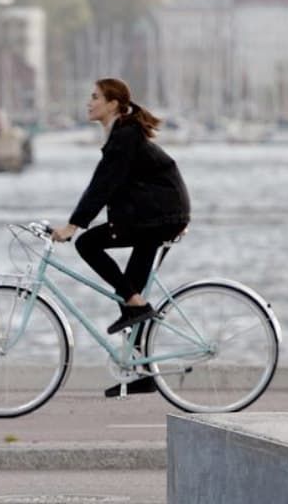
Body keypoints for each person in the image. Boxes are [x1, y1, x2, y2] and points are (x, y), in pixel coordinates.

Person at [51, 78, 190, 395]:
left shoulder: (124, 136)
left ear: (113, 104)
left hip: (158, 216)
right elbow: (108, 183)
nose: (89, 102)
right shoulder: (121, 134)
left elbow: (104, 184)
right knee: (129, 294)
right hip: (156, 215)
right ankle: (143, 374)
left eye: (95, 97)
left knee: (88, 244)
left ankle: (137, 309)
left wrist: (74, 226)